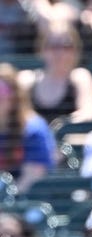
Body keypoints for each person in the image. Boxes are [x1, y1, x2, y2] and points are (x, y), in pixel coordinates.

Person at [18, 20, 92, 124]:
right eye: (53, 46)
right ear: (42, 50)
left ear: (76, 50)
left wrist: (59, 126)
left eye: (66, 46)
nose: (60, 52)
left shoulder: (80, 77)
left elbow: (89, 113)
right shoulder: (27, 79)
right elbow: (12, 115)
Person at [0, 63, 55, 193]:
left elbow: (31, 179)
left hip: (20, 203)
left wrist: (6, 203)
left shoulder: (33, 129)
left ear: (14, 97)